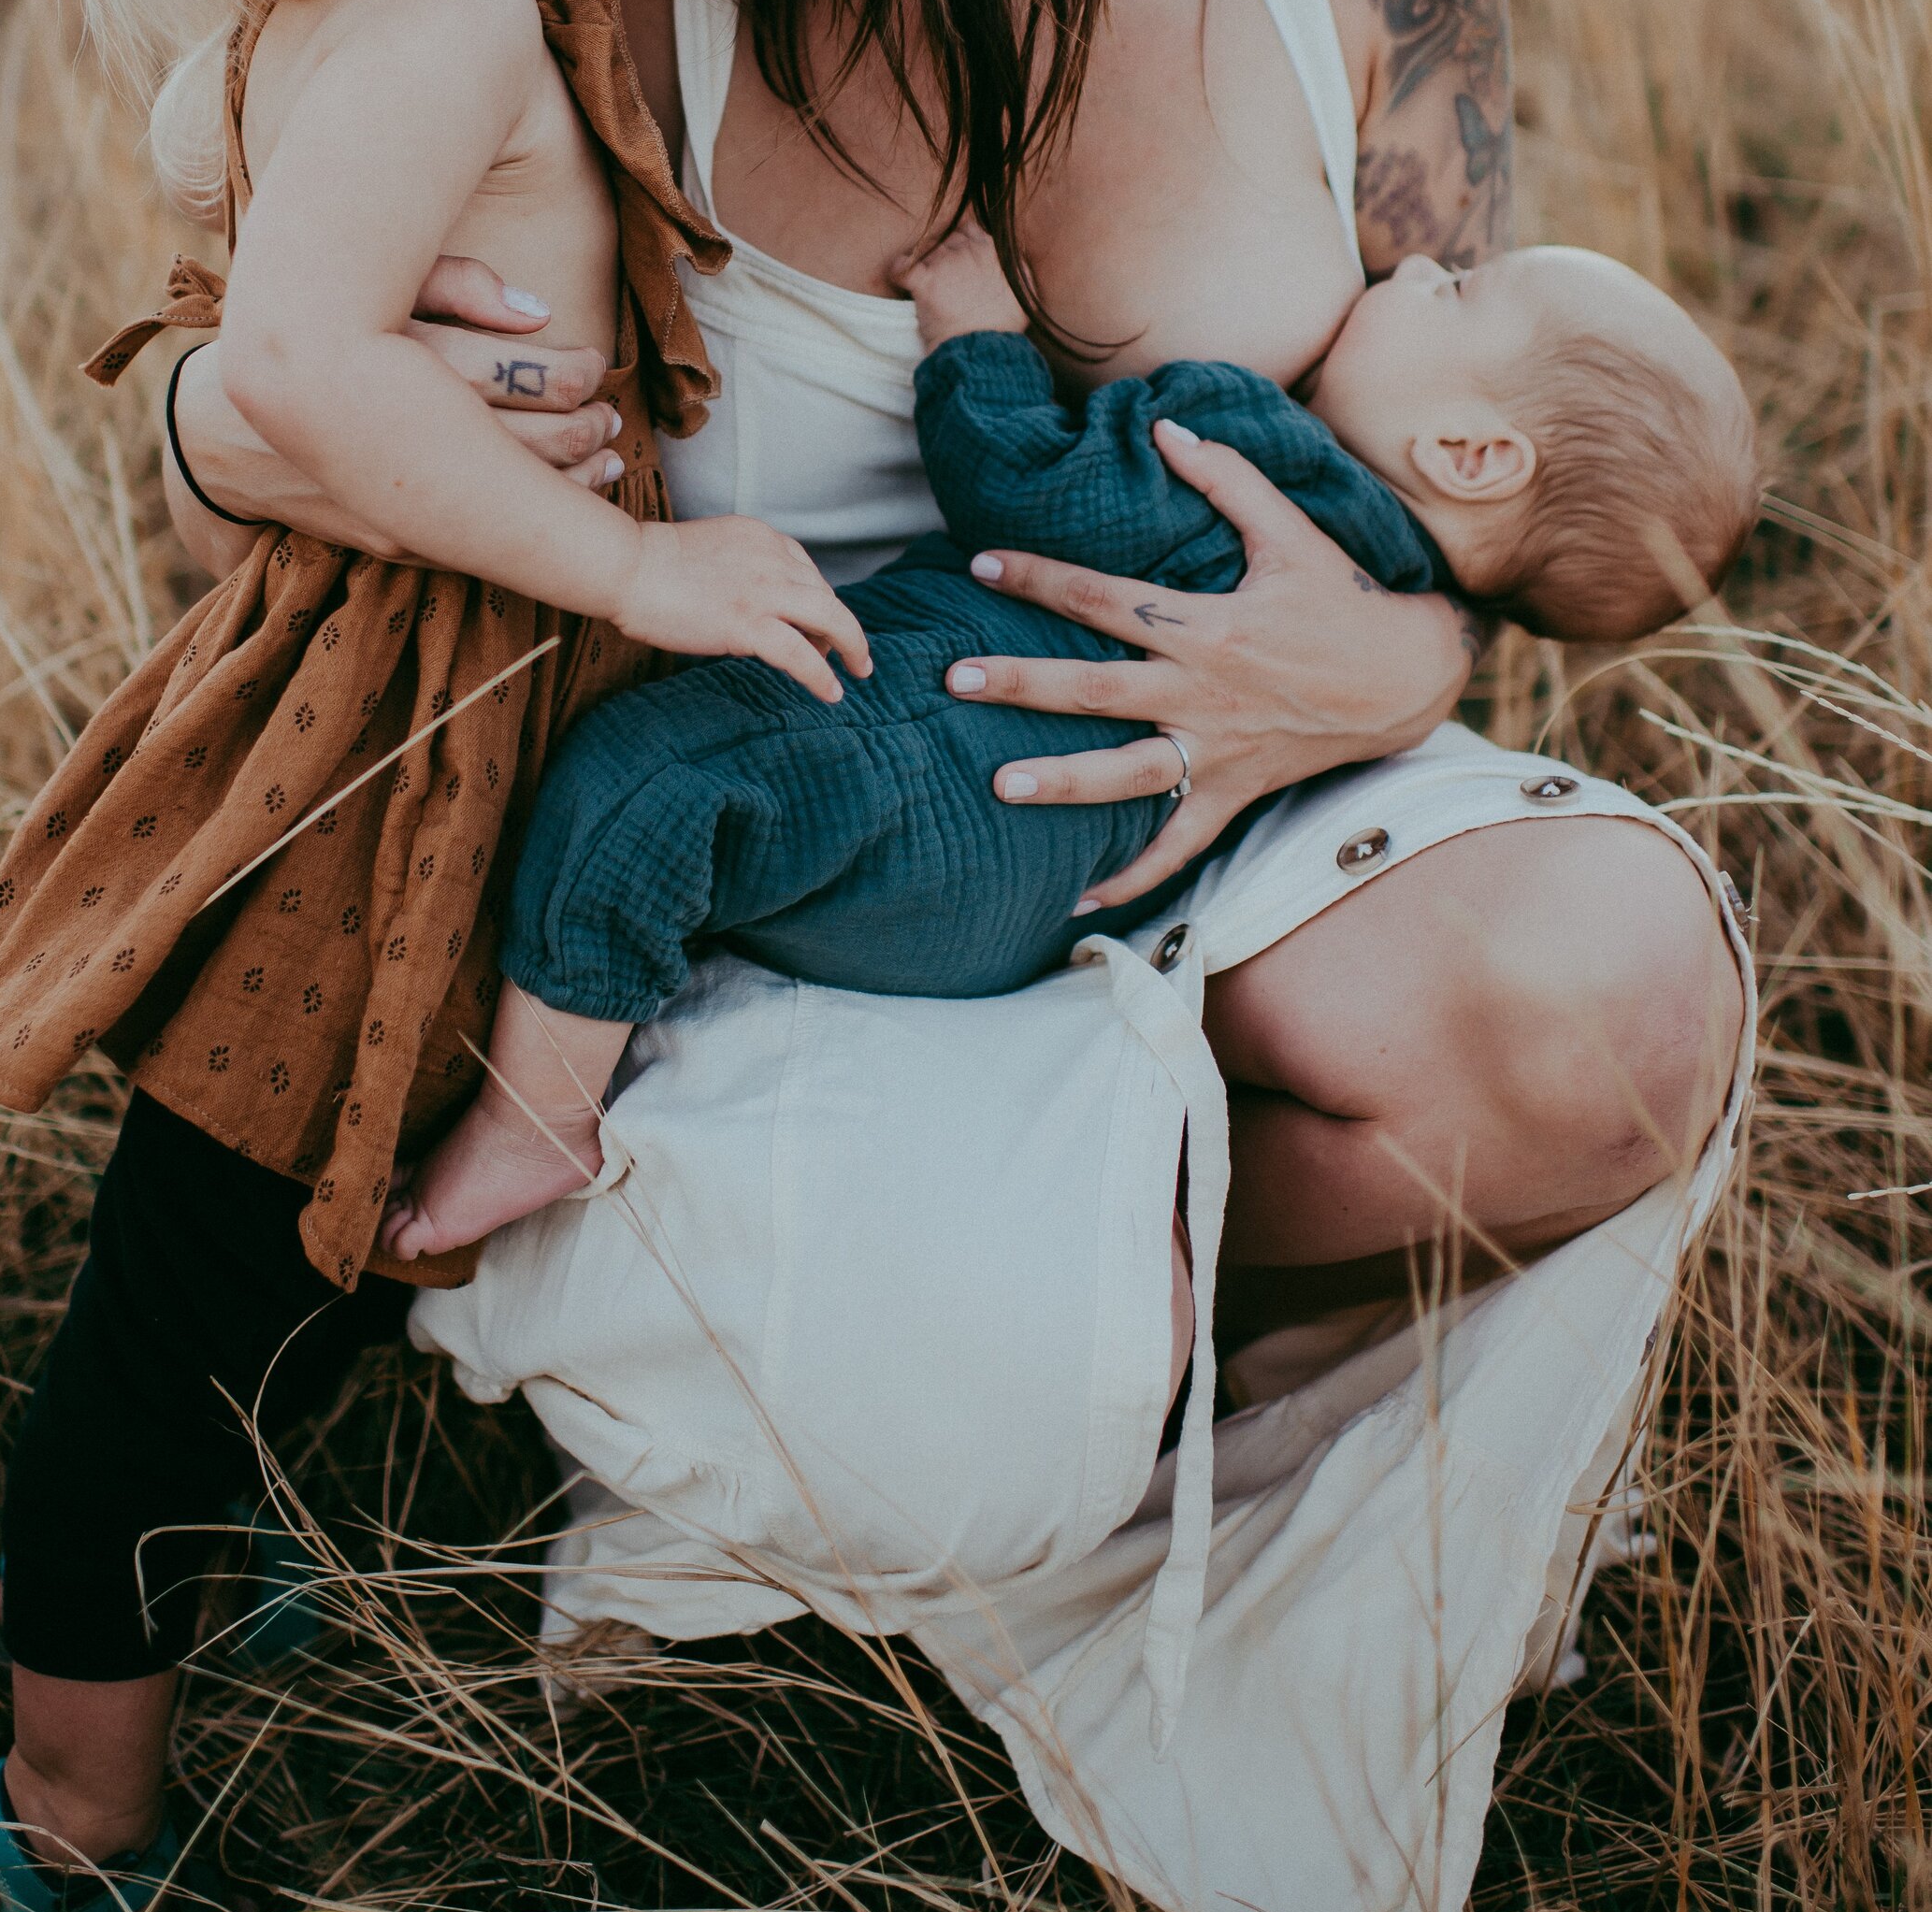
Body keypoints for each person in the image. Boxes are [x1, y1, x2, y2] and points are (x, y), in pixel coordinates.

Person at [161, 0, 1753, 1912]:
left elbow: (1464, 446)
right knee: (967, 1380)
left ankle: (1089, 1339)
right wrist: (233, 422)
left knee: (1601, 998)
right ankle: (901, 1368)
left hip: (1200, 834)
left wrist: (1383, 685)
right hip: (723, 893)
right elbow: (224, 350)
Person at [0, 0, 867, 1912]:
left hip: (439, 735)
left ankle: (182, 1569)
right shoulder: (431, 4)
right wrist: (648, 576)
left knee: (296, 1244)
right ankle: (64, 1808)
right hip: (384, 763)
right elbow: (303, 365)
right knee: (198, 1266)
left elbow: (216, 188)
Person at [383, 231, 1759, 1258]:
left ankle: (535, 1117)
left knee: (647, 787)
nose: (1415, 262)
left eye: (1457, 285)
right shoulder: (1380, 595)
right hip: (1030, 901)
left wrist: (976, 345)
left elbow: (1036, 491)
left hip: (933, 755)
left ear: (1470, 450)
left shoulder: (1255, 448)